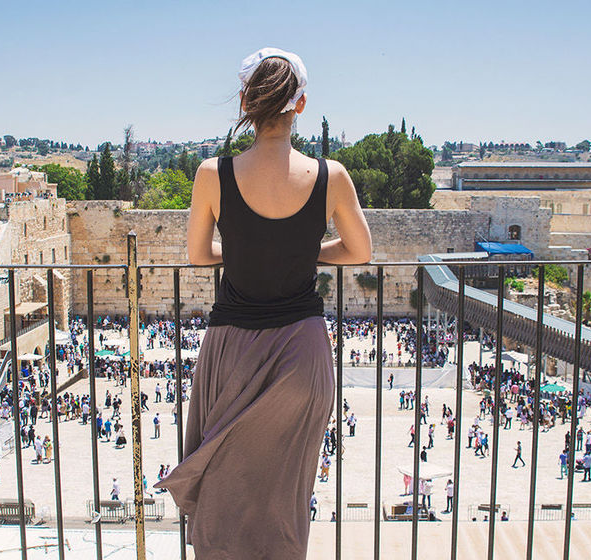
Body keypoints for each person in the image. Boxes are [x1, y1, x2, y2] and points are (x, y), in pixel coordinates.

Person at [155, 47, 371, 560]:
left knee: (225, 491)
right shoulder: (331, 176)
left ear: (246, 103)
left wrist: (249, 246)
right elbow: (360, 250)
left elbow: (199, 255)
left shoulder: (213, 173)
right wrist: (302, 249)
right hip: (302, 354)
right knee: (285, 498)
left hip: (232, 350)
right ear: (300, 105)